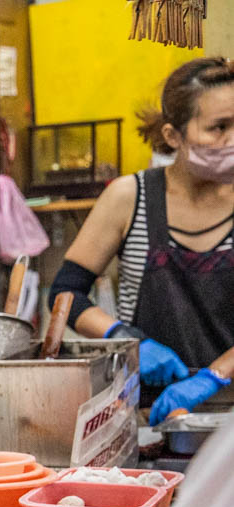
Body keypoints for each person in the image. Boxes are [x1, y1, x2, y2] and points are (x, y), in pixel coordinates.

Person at [51, 57, 234, 425]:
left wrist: (214, 376)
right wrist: (124, 336)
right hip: (148, 412)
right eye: (219, 128)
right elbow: (66, 295)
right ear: (172, 136)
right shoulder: (129, 198)